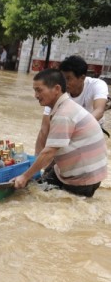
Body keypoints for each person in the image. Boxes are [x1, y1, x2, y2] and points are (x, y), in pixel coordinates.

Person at [13, 69, 107, 197]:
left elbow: (50, 151)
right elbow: (49, 140)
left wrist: (24, 176)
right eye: (35, 90)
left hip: (83, 180)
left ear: (57, 89)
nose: (35, 95)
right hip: (75, 172)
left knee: (41, 202)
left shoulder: (63, 114)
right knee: (34, 191)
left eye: (39, 90)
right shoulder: (65, 107)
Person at [35, 55, 109, 151]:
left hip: (92, 128)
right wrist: (36, 158)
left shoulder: (97, 85)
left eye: (68, 78)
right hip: (66, 129)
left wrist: (72, 129)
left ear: (82, 78)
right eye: (62, 79)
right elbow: (44, 129)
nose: (64, 83)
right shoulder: (57, 91)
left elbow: (99, 111)